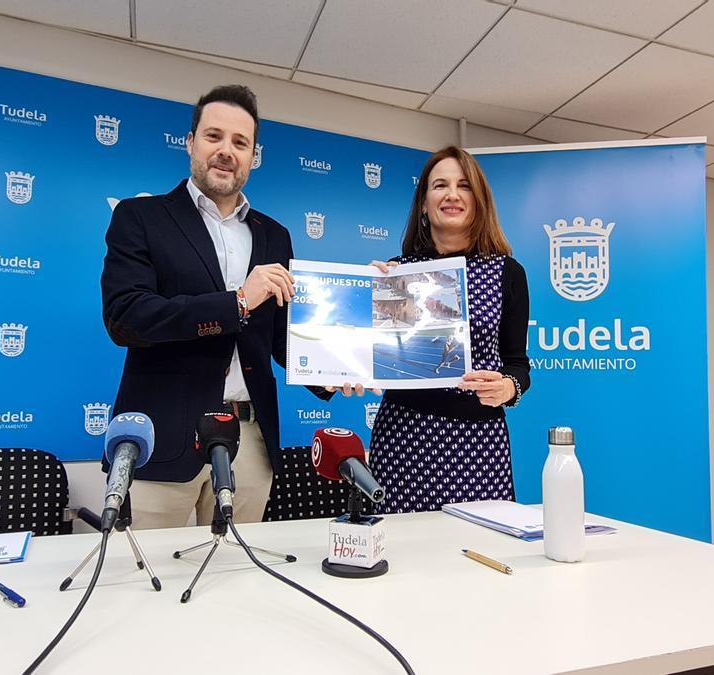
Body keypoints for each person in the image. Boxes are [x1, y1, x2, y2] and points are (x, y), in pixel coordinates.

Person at [101, 84, 318, 528]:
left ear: (253, 156)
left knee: (236, 581)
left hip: (249, 443)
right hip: (161, 440)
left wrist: (337, 372)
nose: (226, 151)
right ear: (190, 142)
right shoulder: (140, 217)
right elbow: (126, 318)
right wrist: (237, 302)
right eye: (213, 136)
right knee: (147, 582)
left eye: (241, 143)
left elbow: (282, 336)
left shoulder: (274, 236)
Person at [360, 146, 531, 514]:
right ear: (424, 203)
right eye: (440, 185)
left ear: (479, 201)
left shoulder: (508, 273)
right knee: (405, 558)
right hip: (404, 440)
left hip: (479, 443)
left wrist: (508, 387)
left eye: (464, 186)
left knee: (482, 554)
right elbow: (366, 356)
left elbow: (518, 363)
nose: (452, 194)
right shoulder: (394, 272)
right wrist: (365, 290)